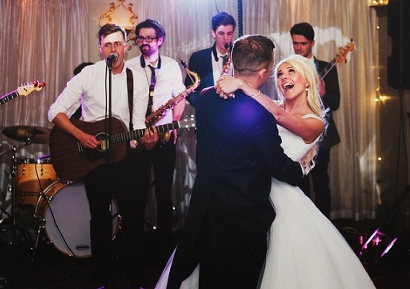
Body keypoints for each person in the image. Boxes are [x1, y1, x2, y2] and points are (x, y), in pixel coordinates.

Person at [162, 35, 306, 289]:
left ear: (233, 62)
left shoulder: (206, 98)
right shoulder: (260, 113)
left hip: (209, 206)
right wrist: (301, 169)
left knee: (212, 277)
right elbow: (277, 164)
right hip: (243, 212)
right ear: (263, 73)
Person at [48, 23, 158, 288]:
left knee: (133, 219)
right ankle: (101, 279)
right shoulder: (89, 74)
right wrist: (80, 135)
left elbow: (137, 126)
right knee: (99, 219)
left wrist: (147, 141)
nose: (113, 49)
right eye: (108, 44)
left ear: (125, 46)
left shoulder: (137, 78)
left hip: (126, 158)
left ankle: (136, 277)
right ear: (100, 48)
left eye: (118, 44)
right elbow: (56, 111)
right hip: (94, 159)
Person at [127, 19, 187, 257]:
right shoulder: (130, 65)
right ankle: (136, 248)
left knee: (164, 192)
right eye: (140, 38)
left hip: (164, 136)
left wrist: (173, 124)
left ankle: (164, 246)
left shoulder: (171, 66)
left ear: (160, 40)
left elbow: (179, 98)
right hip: (138, 137)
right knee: (137, 193)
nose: (143, 42)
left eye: (149, 38)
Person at [290, 21, 341, 217]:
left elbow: (335, 103)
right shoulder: (289, 68)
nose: (298, 48)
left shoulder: (327, 68)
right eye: (295, 43)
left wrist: (324, 93)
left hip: (321, 134)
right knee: (298, 184)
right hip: (295, 133)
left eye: (302, 43)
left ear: (312, 43)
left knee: (321, 182)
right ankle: (303, 227)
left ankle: (325, 227)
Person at [186, 12, 235, 107]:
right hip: (209, 114)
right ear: (213, 32)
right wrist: (203, 107)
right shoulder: (198, 58)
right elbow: (190, 89)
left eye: (229, 34)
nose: (226, 38)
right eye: (221, 33)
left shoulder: (241, 57)